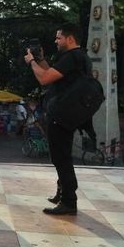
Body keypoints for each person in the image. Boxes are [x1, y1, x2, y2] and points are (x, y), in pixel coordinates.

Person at [24, 22, 90, 215]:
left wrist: (31, 62)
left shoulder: (71, 57)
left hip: (62, 114)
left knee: (61, 158)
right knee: (61, 156)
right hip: (69, 113)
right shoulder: (80, 57)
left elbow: (44, 79)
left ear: (70, 39)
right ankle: (63, 193)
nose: (56, 40)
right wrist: (41, 60)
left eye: (59, 37)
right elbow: (52, 74)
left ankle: (69, 200)